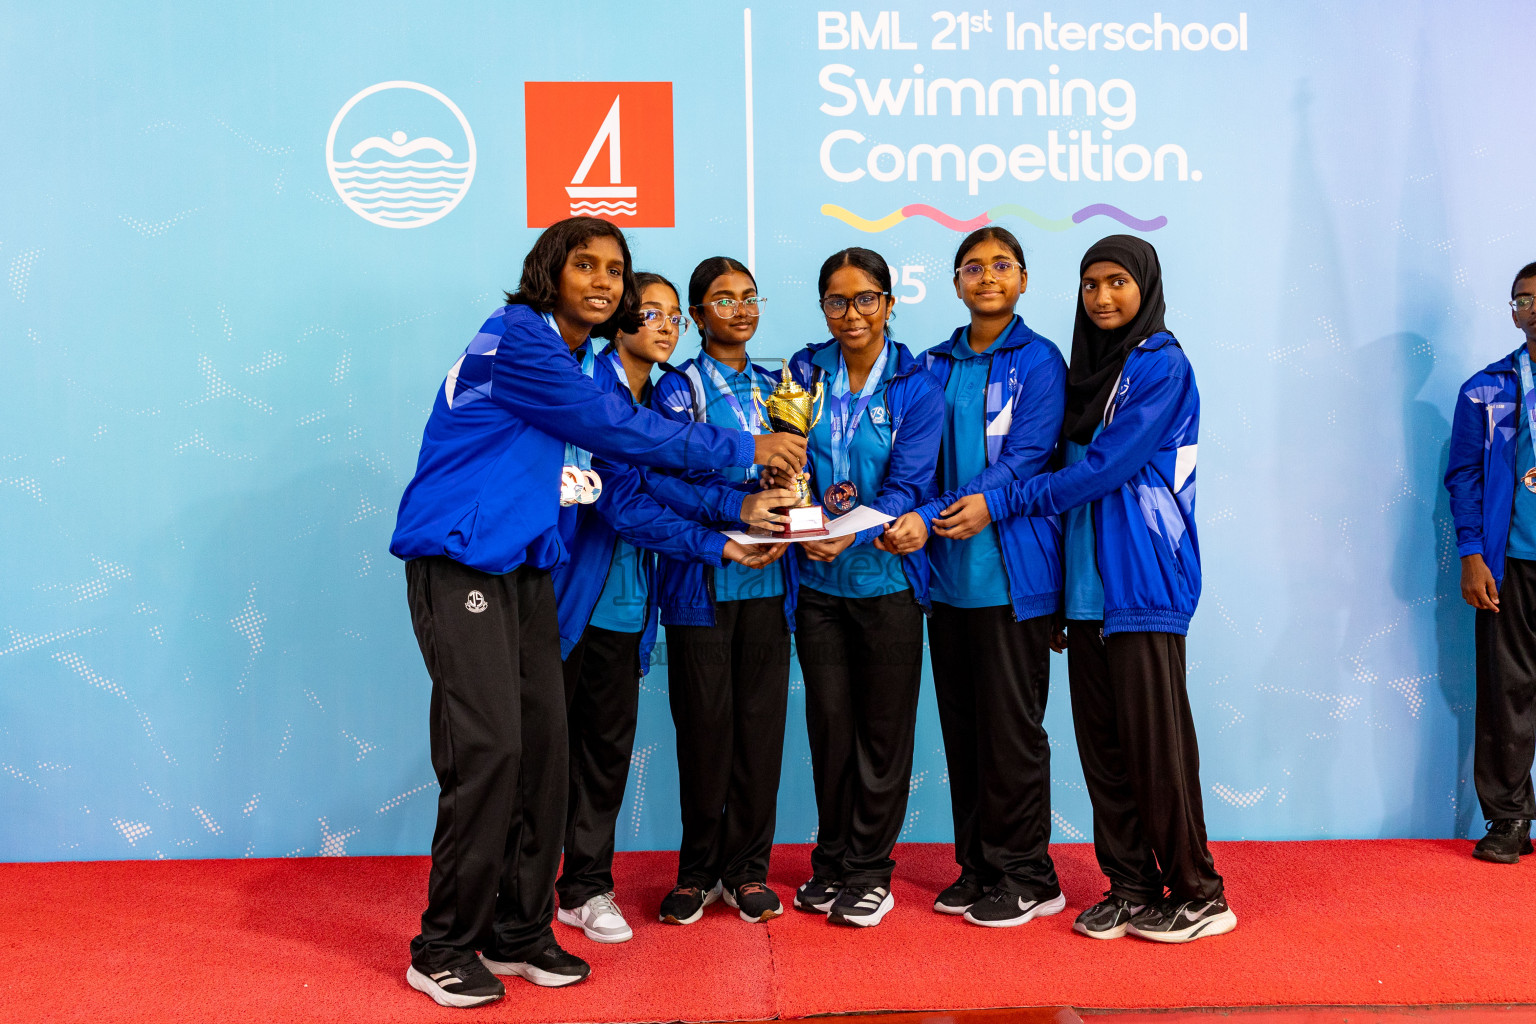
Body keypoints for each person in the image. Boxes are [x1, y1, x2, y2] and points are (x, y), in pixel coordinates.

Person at [389, 221, 806, 1008]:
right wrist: (746, 449)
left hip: (522, 573)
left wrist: (732, 516)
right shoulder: (519, 338)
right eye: (586, 265)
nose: (605, 281)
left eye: (616, 269)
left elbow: (621, 470)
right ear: (549, 272)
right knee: (490, 754)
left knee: (545, 755)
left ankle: (517, 929)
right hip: (459, 565)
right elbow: (619, 430)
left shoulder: (578, 361)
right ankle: (442, 945)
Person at [990, 234, 1235, 943]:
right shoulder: (1085, 374)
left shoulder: (1161, 366)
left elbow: (1104, 468)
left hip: (1145, 585)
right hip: (1091, 593)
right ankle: (1130, 886)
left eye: (1117, 282)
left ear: (1146, 287)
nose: (1102, 297)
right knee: (1104, 750)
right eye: (1091, 284)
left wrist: (1009, 501)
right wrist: (1068, 597)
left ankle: (1199, 891)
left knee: (1156, 749)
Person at [550, 272, 793, 945]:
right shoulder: (595, 390)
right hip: (573, 600)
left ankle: (586, 887)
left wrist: (786, 500)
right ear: (617, 321)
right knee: (549, 755)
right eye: (648, 313)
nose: (663, 326)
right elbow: (626, 502)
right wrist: (722, 533)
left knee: (604, 755)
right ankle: (526, 894)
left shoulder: (651, 397)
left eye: (667, 317)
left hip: (630, 608)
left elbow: (648, 494)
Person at [880, 226, 1068, 927]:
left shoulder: (1042, 362)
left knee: (1013, 732)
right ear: (955, 284)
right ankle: (980, 865)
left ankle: (1030, 873)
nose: (987, 277)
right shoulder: (930, 367)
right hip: (945, 581)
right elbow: (915, 465)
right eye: (972, 267)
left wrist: (960, 508)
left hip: (1013, 580)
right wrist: (922, 517)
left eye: (1001, 265)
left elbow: (1027, 459)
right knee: (963, 731)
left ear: (1022, 280)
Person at [785, 247, 944, 927]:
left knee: (881, 732)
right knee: (830, 728)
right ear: (823, 306)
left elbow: (909, 485)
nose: (851, 315)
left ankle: (871, 869)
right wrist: (799, 525)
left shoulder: (916, 382)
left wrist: (846, 533)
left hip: (885, 583)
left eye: (865, 299)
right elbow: (785, 466)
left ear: (889, 302)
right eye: (837, 301)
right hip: (817, 583)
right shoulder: (801, 371)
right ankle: (832, 859)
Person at [649, 257, 796, 925]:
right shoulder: (677, 390)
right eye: (721, 299)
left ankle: (748, 872)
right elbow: (660, 481)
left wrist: (792, 509)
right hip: (700, 589)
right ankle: (697, 871)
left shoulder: (783, 385)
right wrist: (741, 508)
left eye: (748, 297)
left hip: (768, 585)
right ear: (698, 314)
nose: (739, 309)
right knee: (705, 733)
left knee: (761, 733)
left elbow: (804, 468)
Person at [1446, 259, 1536, 864]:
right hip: (1513, 564)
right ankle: (1508, 820)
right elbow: (1464, 477)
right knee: (1507, 691)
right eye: (1520, 299)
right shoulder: (1486, 388)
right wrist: (1473, 552)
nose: (1528, 308)